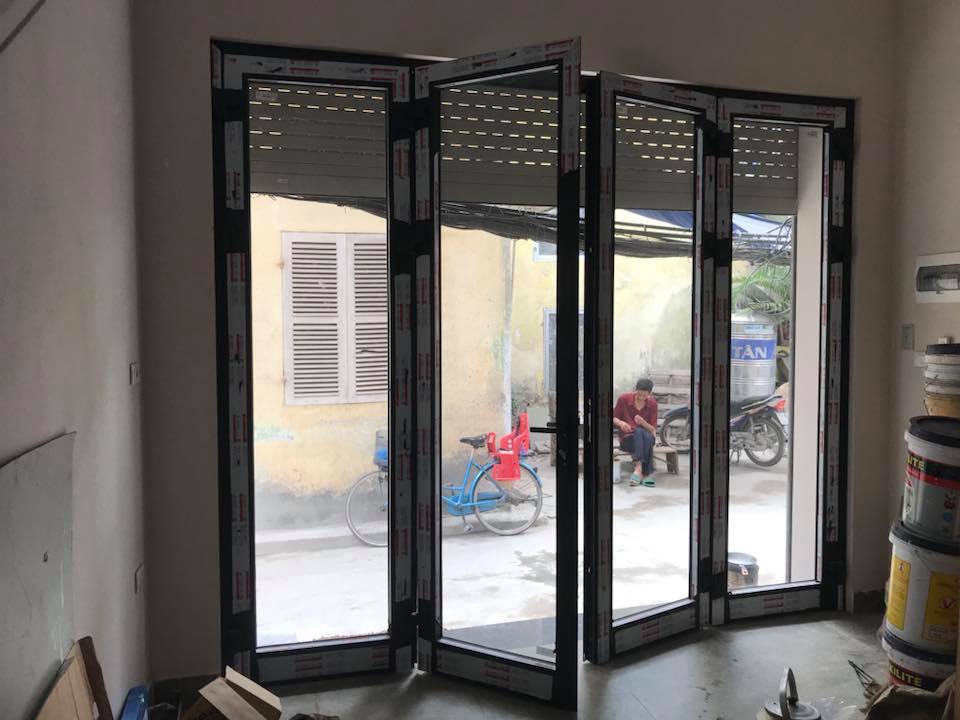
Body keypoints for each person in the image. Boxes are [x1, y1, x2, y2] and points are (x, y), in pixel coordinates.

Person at [613, 378, 658, 487]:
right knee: (639, 433)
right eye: (639, 394)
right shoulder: (624, 398)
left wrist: (643, 422)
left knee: (641, 433)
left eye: (644, 396)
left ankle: (638, 469)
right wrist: (621, 423)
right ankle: (647, 473)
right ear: (635, 390)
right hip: (628, 440)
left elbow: (652, 430)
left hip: (647, 438)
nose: (641, 397)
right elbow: (614, 417)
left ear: (649, 394)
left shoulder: (652, 403)